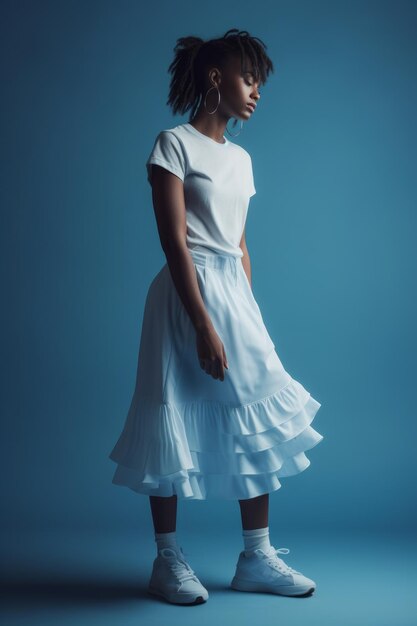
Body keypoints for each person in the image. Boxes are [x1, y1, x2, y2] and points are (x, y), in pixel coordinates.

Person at [108, 28, 324, 606]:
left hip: (233, 294)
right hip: (184, 293)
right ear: (214, 78)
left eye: (259, 82)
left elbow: (240, 241)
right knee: (169, 410)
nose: (257, 92)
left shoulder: (243, 158)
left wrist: (243, 310)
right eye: (249, 78)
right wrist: (203, 322)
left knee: (254, 413)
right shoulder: (172, 144)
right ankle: (168, 560)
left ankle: (256, 555)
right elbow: (176, 242)